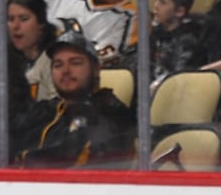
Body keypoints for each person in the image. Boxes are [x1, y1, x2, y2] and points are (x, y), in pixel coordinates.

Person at [15, 30, 135, 167]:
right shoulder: (45, 111)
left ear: (96, 69)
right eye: (58, 65)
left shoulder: (112, 117)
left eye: (75, 62)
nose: (65, 70)